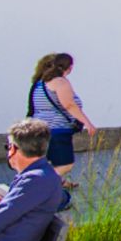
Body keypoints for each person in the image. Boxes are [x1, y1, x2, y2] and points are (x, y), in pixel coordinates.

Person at [28, 53, 96, 185]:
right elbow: (69, 104)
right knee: (66, 164)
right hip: (57, 129)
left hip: (39, 129)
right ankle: (42, 185)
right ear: (69, 68)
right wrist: (87, 123)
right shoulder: (60, 82)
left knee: (50, 160)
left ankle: (58, 183)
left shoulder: (40, 83)